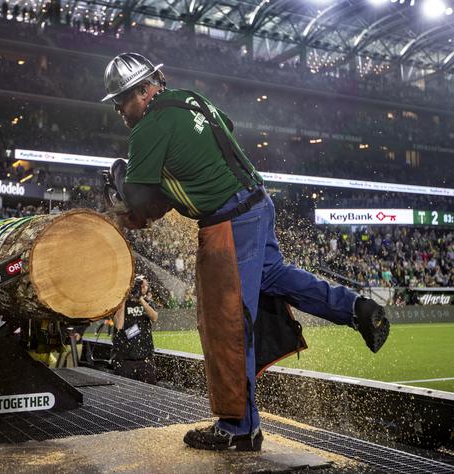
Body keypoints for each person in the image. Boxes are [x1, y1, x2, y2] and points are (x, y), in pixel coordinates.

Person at [101, 52, 390, 451]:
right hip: (255, 203)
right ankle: (356, 309)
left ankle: (239, 428)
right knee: (277, 276)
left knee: (228, 322)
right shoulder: (191, 99)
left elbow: (139, 199)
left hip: (229, 221)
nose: (118, 109)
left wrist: (118, 180)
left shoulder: (148, 128)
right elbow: (223, 133)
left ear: (143, 91)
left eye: (120, 99)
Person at [111, 275, 159, 384]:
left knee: (150, 391)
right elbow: (119, 325)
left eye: (145, 285)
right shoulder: (118, 303)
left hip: (145, 358)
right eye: (140, 286)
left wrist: (140, 299)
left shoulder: (147, 302)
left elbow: (155, 317)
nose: (144, 288)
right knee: (125, 393)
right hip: (125, 360)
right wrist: (124, 298)